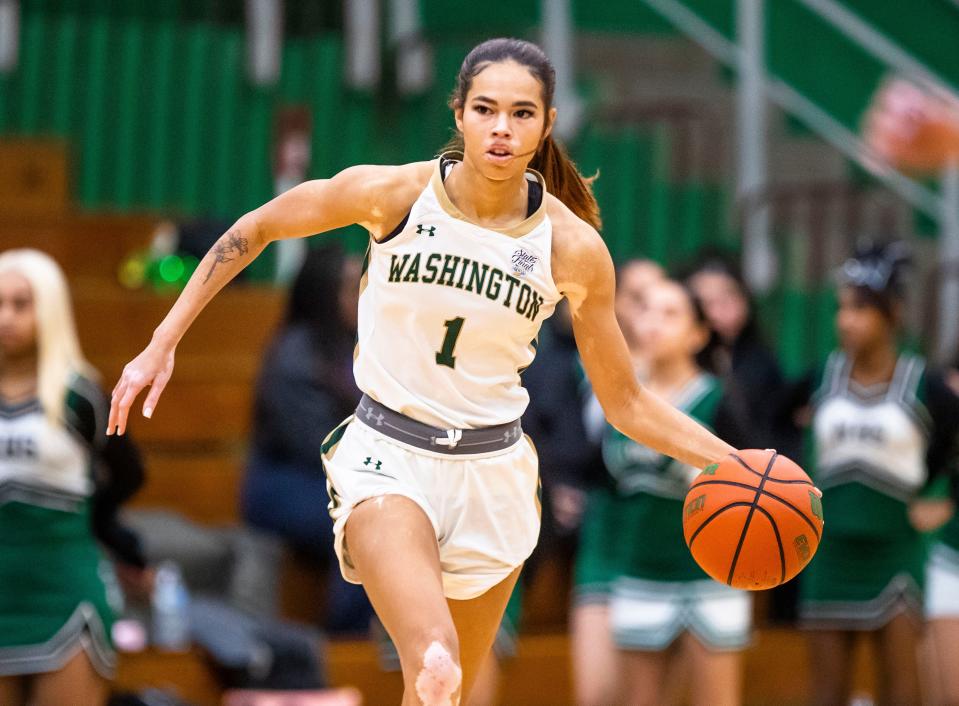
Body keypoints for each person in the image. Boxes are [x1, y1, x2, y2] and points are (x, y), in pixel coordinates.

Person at [107, 38, 743, 706]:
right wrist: (164, 338)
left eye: (522, 113)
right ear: (459, 113)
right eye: (486, 109)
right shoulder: (397, 194)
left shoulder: (573, 248)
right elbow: (258, 227)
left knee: (447, 692)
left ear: (547, 123)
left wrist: (731, 461)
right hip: (388, 453)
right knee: (435, 663)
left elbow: (626, 403)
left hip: (492, 472)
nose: (502, 127)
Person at [780, 243, 959, 706]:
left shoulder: (922, 383)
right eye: (842, 308)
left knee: (902, 690)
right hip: (828, 549)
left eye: (860, 309)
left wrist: (947, 496)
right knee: (826, 692)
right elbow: (769, 422)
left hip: (895, 551)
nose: (846, 320)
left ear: (892, 313)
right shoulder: (823, 376)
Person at [0, 249, 147, 706]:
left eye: (21, 304)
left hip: (64, 593)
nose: (6, 317)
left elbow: (129, 473)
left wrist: (97, 523)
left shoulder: (81, 397)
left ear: (49, 309)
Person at [603, 279, 751, 706]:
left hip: (710, 578)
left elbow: (755, 483)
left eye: (671, 314)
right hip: (638, 569)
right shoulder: (617, 397)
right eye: (647, 310)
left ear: (698, 334)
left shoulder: (718, 400)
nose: (654, 323)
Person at [240, 242, 373, 634]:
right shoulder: (294, 356)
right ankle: (346, 644)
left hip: (337, 480)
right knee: (367, 525)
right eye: (351, 286)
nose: (362, 294)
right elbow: (316, 445)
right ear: (323, 292)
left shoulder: (355, 347)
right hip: (285, 484)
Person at [570, 258, 663, 706]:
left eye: (661, 301)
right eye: (639, 299)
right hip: (605, 531)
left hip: (666, 544)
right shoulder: (580, 362)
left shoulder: (699, 381)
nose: (649, 314)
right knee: (598, 694)